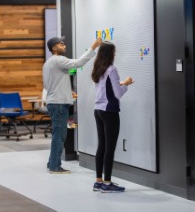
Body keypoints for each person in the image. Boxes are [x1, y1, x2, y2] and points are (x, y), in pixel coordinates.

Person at [43, 36, 102, 174]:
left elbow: (51, 85)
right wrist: (93, 47)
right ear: (53, 48)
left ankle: (52, 162)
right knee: (60, 136)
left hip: (55, 102)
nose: (64, 45)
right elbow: (78, 63)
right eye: (60, 44)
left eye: (64, 43)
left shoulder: (49, 63)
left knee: (57, 135)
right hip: (58, 104)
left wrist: (67, 92)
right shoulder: (59, 60)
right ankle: (54, 167)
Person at [91, 41, 134, 193]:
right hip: (110, 112)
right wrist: (127, 83)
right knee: (110, 148)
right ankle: (107, 183)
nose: (115, 54)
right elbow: (118, 94)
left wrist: (120, 83)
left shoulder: (99, 69)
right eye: (114, 52)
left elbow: (106, 88)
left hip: (98, 110)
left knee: (102, 146)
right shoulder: (112, 69)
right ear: (110, 53)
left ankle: (98, 181)